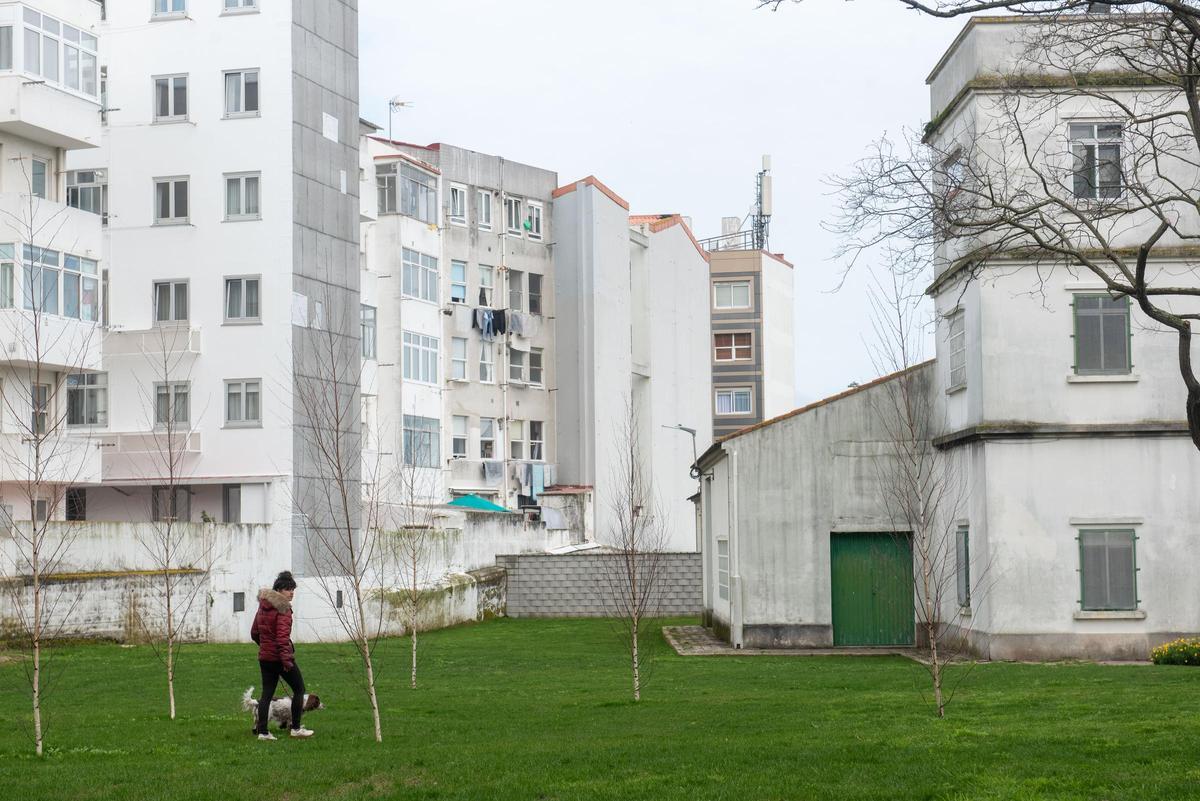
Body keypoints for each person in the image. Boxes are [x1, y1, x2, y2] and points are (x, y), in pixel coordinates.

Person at [250, 571, 313, 740]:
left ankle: (263, 732)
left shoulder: (263, 606)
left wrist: (265, 647)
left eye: (293, 589)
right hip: (279, 658)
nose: (291, 593)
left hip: (265, 658)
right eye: (288, 589)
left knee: (266, 694)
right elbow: (282, 638)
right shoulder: (283, 608)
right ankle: (296, 728)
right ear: (278, 590)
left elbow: (254, 633)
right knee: (299, 689)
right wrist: (286, 661)